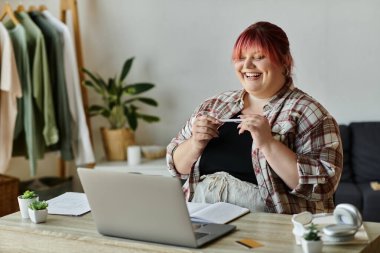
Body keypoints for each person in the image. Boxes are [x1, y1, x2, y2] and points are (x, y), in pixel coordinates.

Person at [166, 21, 343, 214]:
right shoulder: (214, 105)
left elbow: (324, 185)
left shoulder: (309, 112)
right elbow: (176, 167)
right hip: (200, 219)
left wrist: (268, 143)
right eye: (240, 58)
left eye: (259, 57)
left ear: (284, 61)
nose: (247, 66)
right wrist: (194, 143)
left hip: (267, 230)